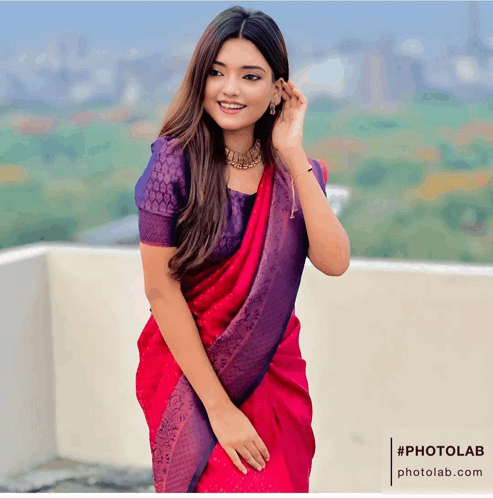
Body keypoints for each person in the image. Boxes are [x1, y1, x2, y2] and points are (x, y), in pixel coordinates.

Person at [134, 5, 350, 493]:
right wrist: (219, 410)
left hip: (273, 375)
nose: (229, 88)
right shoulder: (174, 164)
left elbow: (335, 261)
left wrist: (293, 154)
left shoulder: (294, 170)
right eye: (216, 72)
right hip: (194, 380)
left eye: (250, 76)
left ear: (278, 90)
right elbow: (161, 290)